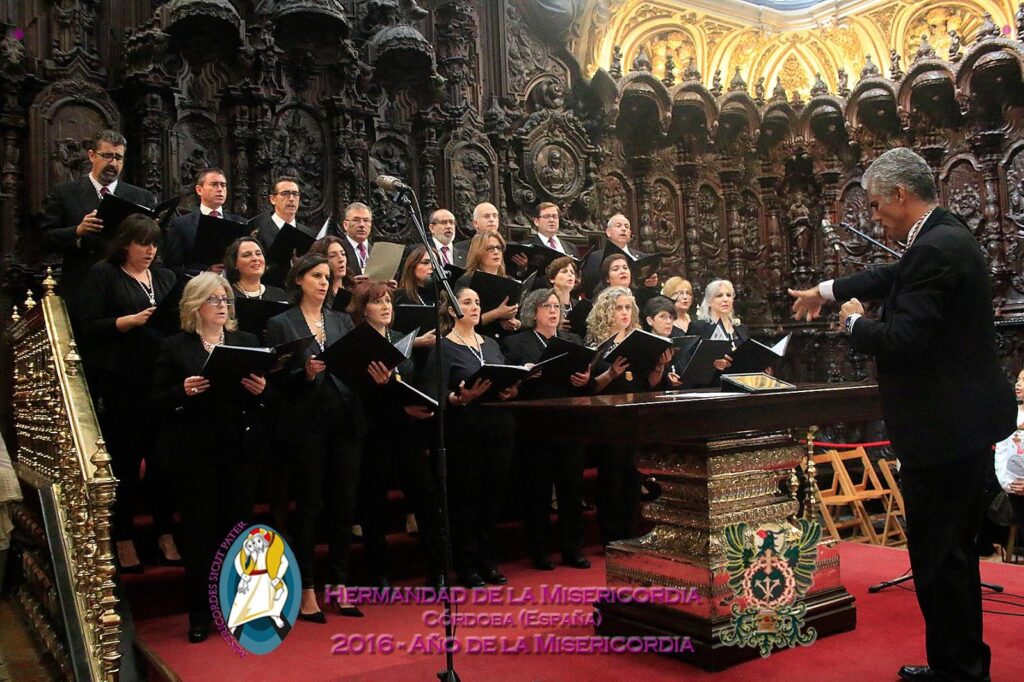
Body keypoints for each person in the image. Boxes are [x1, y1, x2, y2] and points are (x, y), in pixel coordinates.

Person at [789, 147, 1015, 682]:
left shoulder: (936, 249)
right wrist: (829, 290)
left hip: (942, 433)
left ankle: (959, 671)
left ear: (899, 195)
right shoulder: (945, 235)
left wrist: (851, 323)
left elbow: (905, 340)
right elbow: (896, 274)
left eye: (873, 205)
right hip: (958, 428)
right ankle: (957, 664)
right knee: (950, 559)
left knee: (942, 562)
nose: (874, 216)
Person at [150, 272, 268, 643]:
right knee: (200, 535)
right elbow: (156, 401)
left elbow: (265, 401)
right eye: (214, 299)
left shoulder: (245, 341)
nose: (222, 306)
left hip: (238, 450)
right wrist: (182, 392)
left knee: (237, 533)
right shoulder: (175, 346)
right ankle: (200, 612)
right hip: (195, 453)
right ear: (195, 305)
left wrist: (261, 390)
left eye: (226, 300)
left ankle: (238, 609)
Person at [265, 254, 366, 620]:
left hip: (345, 420)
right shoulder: (281, 323)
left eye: (327, 276)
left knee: (344, 504)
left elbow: (353, 367)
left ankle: (340, 585)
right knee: (308, 506)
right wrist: (303, 375)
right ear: (299, 280)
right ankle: (307, 588)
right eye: (316, 276)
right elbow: (275, 382)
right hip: (306, 423)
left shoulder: (341, 320)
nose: (324, 282)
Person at [77, 214, 179, 572]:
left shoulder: (165, 277)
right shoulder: (104, 274)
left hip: (162, 379)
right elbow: (87, 326)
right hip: (124, 381)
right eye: (141, 243)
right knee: (125, 461)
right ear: (124, 244)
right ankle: (122, 538)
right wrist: (129, 321)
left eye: (153, 244)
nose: (149, 250)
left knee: (163, 462)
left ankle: (165, 533)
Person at [347, 281, 445, 588]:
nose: (386, 306)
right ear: (364, 310)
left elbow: (408, 381)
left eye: (388, 300)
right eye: (378, 302)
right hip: (373, 434)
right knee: (373, 503)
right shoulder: (356, 344)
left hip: (407, 432)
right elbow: (359, 395)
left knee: (426, 496)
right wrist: (392, 396)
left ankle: (438, 569)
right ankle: (379, 572)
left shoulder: (401, 340)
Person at [421, 285, 519, 588]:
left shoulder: (490, 343)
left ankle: (488, 561)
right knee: (466, 499)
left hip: (498, 427)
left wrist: (512, 388)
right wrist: (457, 398)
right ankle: (465, 564)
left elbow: (504, 376)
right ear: (452, 310)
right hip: (464, 431)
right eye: (467, 302)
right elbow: (432, 394)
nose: (475, 307)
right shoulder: (443, 346)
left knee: (493, 498)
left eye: (477, 302)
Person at [501, 288, 591, 570]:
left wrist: (584, 378)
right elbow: (508, 381)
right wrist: (526, 376)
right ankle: (539, 550)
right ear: (533, 312)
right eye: (546, 306)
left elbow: (584, 378)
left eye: (556, 306)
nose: (553, 311)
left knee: (571, 489)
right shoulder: (517, 343)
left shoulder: (572, 339)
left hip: (568, 421)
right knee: (538, 491)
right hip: (536, 423)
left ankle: (572, 548)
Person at [585, 287, 671, 544]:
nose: (624, 313)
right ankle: (611, 534)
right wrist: (611, 374)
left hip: (634, 416)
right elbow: (590, 388)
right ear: (606, 312)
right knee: (611, 476)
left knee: (633, 477)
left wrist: (661, 365)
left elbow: (650, 383)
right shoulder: (597, 346)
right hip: (609, 419)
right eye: (618, 308)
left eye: (627, 308)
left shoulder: (639, 341)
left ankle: (630, 530)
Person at [40, 130, 156, 306]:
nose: (113, 163)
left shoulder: (141, 197)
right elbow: (45, 239)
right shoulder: (64, 192)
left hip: (128, 289)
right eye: (108, 156)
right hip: (83, 288)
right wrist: (78, 231)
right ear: (92, 155)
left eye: (119, 158)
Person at [164, 168, 245, 278]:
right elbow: (172, 267)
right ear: (199, 190)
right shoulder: (181, 224)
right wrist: (203, 274)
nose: (220, 189)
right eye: (214, 184)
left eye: (223, 185)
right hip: (198, 290)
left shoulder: (239, 223)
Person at [249, 176, 316, 287]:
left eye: (295, 194)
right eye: (285, 193)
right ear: (273, 199)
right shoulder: (258, 229)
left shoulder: (308, 233)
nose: (291, 198)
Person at [460, 232, 521, 338]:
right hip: (477, 339)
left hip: (506, 341)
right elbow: (462, 320)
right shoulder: (467, 281)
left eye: (498, 248)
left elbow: (521, 319)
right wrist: (497, 314)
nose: (496, 252)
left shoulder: (510, 281)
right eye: (490, 248)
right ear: (478, 252)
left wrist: (515, 323)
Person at [580, 213, 657, 296]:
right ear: (608, 232)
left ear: (630, 233)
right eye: (618, 226)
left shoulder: (642, 257)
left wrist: (652, 283)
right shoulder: (596, 257)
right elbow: (589, 287)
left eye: (626, 227)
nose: (623, 229)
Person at [698, 279, 749, 373]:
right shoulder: (700, 327)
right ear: (709, 301)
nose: (725, 299)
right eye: (719, 295)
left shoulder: (741, 328)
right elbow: (693, 361)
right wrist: (712, 363)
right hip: (714, 383)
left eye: (729, 295)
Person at [995, 369, 1024, 527]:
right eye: (1018, 379)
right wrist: (1008, 483)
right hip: (1016, 487)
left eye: (1023, 380)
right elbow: (1002, 451)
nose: (1018, 384)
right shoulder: (1010, 415)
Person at [223, 237, 289, 303]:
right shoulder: (226, 296)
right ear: (234, 264)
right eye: (247, 255)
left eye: (258, 254)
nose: (255, 258)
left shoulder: (279, 294)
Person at [307, 236, 356, 303]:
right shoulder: (318, 295)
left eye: (343, 254)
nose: (341, 259)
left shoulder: (354, 289)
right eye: (332, 256)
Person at [339, 202, 374, 278]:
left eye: (366, 220)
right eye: (356, 220)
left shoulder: (378, 253)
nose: (362, 225)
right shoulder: (339, 249)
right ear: (345, 225)